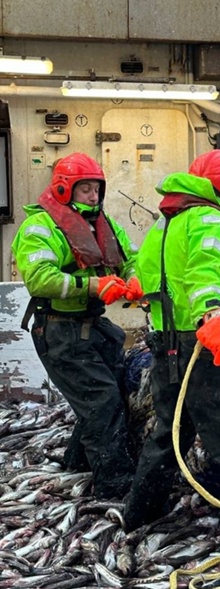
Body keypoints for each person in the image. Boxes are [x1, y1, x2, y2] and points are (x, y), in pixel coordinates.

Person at [122, 149, 220, 565]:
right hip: (207, 349)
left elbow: (148, 275)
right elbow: (204, 272)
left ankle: (137, 517)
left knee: (169, 438)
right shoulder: (212, 222)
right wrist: (214, 313)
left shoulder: (164, 224)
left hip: (164, 350)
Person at [11, 152, 144, 499]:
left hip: (93, 327)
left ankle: (77, 465)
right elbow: (40, 279)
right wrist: (95, 286)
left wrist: (133, 279)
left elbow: (130, 258)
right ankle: (114, 487)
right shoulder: (39, 227)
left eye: (96, 188)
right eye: (84, 189)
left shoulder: (105, 223)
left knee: (109, 394)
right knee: (102, 402)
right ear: (63, 189)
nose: (92, 196)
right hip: (59, 331)